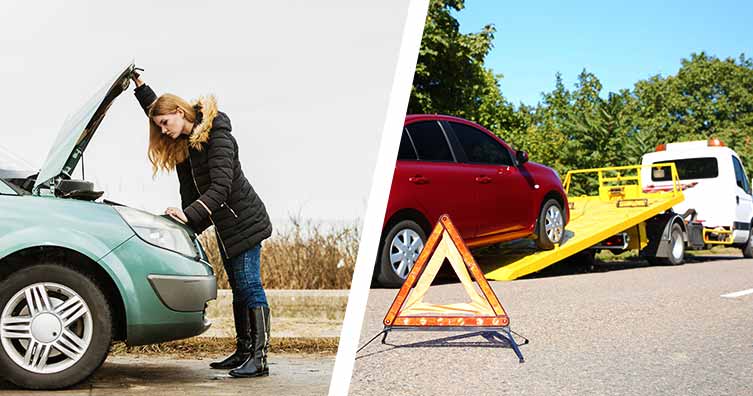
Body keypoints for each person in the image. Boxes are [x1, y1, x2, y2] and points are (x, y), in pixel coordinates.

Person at [131, 71, 273, 378]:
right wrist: (141, 88)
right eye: (159, 127)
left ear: (180, 113)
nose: (163, 131)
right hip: (225, 225)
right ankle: (244, 350)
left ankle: (259, 359)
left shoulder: (218, 137)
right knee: (239, 287)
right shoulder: (184, 139)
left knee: (249, 285)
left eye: (165, 124)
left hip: (244, 221)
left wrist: (189, 215)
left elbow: (221, 187)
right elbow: (157, 108)